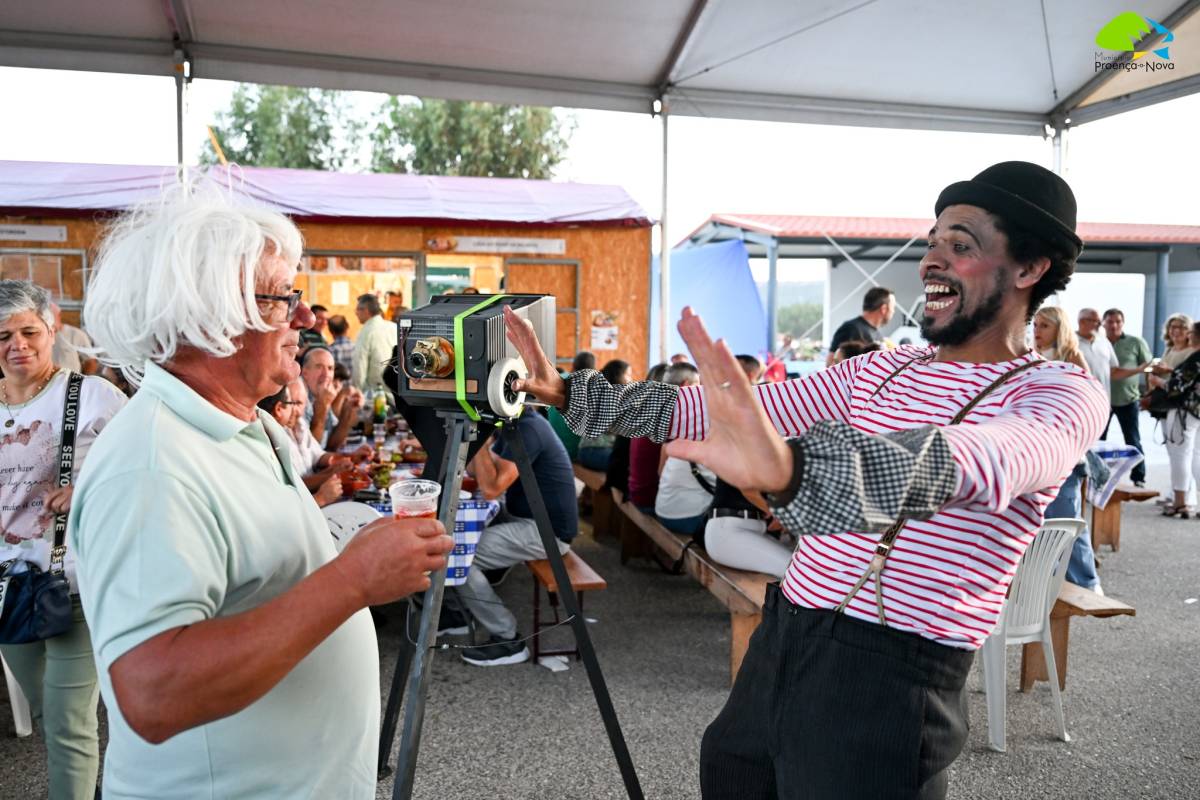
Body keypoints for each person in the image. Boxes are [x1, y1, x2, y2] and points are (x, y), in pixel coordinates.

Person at [504, 161, 1106, 799]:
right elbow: (710, 412)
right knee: (732, 775)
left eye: (961, 246)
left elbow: (977, 458)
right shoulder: (885, 367)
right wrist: (569, 392)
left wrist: (795, 471)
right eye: (932, 243)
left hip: (892, 681)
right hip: (786, 634)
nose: (933, 261)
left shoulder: (1058, 393)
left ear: (1030, 268)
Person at [67, 184, 452, 799]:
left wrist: (354, 552)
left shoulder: (253, 421)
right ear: (209, 318)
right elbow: (153, 692)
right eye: (282, 298)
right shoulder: (149, 465)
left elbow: (257, 575)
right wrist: (352, 581)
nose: (305, 317)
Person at [0, 280, 127, 800]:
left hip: (74, 581)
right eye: (3, 335)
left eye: (29, 331)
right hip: (7, 590)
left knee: (69, 722)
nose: (17, 345)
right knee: (51, 715)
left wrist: (87, 487)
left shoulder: (93, 396)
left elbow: (143, 466)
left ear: (52, 329)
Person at [458, 409, 577, 666]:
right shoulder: (515, 423)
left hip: (548, 532)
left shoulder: (528, 429)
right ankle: (457, 612)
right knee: (458, 539)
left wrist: (476, 436)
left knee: (460, 556)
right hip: (528, 519)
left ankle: (508, 638)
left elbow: (490, 488)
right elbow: (478, 470)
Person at [1032, 305, 1102, 592]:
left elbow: (1089, 404)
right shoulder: (1028, 356)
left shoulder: (1072, 358)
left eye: (1044, 326)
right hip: (1035, 451)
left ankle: (1086, 582)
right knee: (1037, 521)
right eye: (1035, 325)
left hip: (1066, 453)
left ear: (1058, 328)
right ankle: (1042, 582)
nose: (1037, 331)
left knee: (1067, 519)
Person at [257, 382, 344, 507]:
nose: (295, 410)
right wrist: (321, 498)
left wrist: (336, 466)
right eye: (292, 403)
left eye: (299, 403)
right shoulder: (270, 442)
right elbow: (282, 503)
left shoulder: (276, 432)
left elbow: (317, 456)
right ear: (279, 409)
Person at [654, 362, 715, 536]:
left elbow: (660, 471)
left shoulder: (658, 410)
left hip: (661, 505)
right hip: (683, 514)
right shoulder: (690, 421)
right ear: (688, 386)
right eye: (699, 386)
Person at [1151, 321, 1200, 518]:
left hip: (1184, 411)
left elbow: (1176, 387)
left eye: (1192, 332)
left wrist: (1158, 382)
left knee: (1181, 455)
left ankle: (1180, 502)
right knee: (1197, 456)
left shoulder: (1195, 358)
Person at [1103, 307, 1153, 486]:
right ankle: (1098, 477)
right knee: (1098, 442)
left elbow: (1148, 368)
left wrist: (1149, 392)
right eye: (1110, 321)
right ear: (1104, 323)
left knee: (1133, 440)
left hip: (1128, 400)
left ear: (1122, 323)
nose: (1114, 325)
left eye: (1117, 321)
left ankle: (1138, 477)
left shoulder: (1135, 342)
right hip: (1103, 401)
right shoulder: (1099, 342)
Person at [300, 345, 363, 451]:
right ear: (305, 373)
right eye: (319, 367)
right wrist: (322, 406)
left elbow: (331, 445)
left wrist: (349, 412)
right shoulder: (298, 398)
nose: (326, 374)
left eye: (330, 368)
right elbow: (310, 451)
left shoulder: (323, 394)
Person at [577, 359, 632, 470]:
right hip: (593, 451)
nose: (631, 380)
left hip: (594, 450)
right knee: (629, 465)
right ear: (618, 376)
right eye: (628, 375)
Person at [826, 286, 895, 365]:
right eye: (893, 308)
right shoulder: (850, 328)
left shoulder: (878, 335)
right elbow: (830, 363)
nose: (893, 311)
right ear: (884, 309)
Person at [352, 293, 398, 392]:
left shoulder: (365, 332)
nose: (356, 313)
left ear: (366, 311)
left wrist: (357, 392)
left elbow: (359, 366)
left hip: (376, 395)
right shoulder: (394, 327)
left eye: (357, 309)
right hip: (397, 392)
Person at [1076, 308, 1117, 400]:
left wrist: (1139, 369)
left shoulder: (1104, 341)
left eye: (1100, 321)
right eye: (1095, 321)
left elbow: (1114, 369)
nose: (1100, 325)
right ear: (1082, 321)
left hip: (1103, 401)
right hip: (1079, 401)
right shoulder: (1068, 343)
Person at [49, 302, 98, 375]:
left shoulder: (76, 334)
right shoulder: (40, 336)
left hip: (70, 383)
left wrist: (81, 381)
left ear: (59, 315)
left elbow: (91, 361)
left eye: (51, 317)